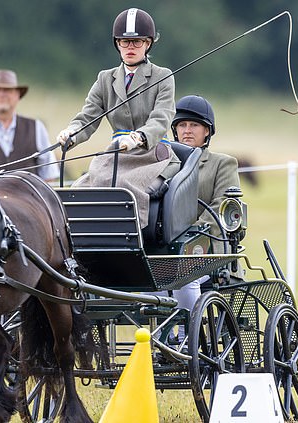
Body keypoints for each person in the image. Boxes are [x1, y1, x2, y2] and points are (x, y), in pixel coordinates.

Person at [56, 8, 180, 228]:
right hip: (117, 154)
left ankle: (129, 239)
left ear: (148, 44)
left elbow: (162, 118)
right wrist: (72, 133)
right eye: (124, 42)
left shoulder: (163, 76)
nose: (130, 47)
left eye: (137, 42)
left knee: (121, 185)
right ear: (117, 44)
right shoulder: (105, 79)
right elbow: (89, 115)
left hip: (151, 155)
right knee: (79, 190)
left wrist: (139, 137)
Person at [168, 95, 241, 338]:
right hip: (163, 250)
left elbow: (223, 207)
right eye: (182, 125)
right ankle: (161, 337)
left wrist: (189, 236)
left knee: (184, 274)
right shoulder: (162, 164)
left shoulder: (222, 164)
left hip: (206, 250)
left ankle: (188, 336)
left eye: (194, 125)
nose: (187, 131)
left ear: (207, 132)